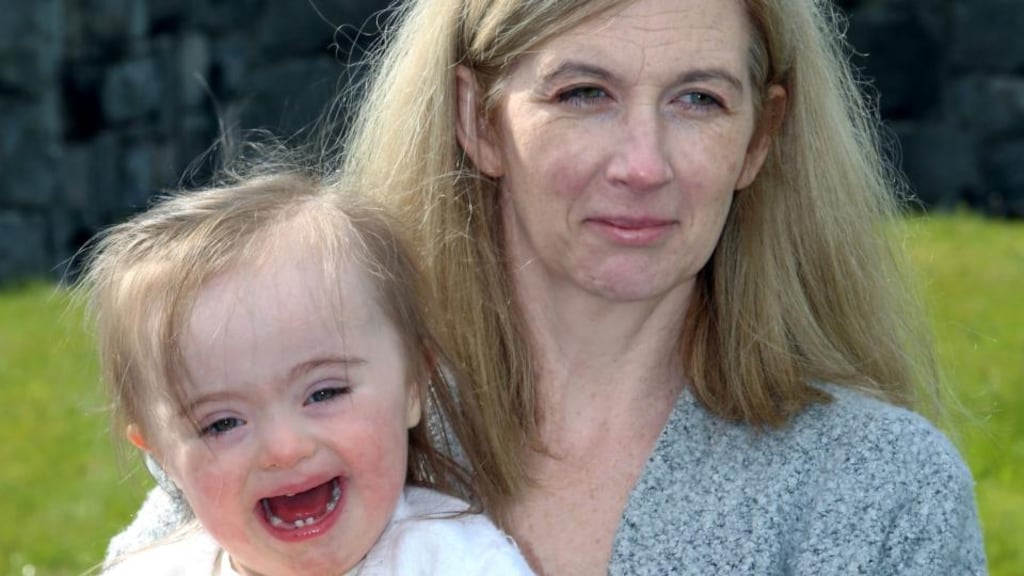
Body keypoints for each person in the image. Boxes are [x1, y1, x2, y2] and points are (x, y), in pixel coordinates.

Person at [109, 0, 988, 574]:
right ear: (476, 122)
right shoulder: (311, 416)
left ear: (760, 139)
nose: (642, 164)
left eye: (698, 101)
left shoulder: (880, 493)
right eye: (583, 93)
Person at [82, 169, 535, 575]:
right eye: (221, 423)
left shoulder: (456, 562)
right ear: (162, 456)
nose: (285, 448)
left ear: (413, 384)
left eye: (324, 393)